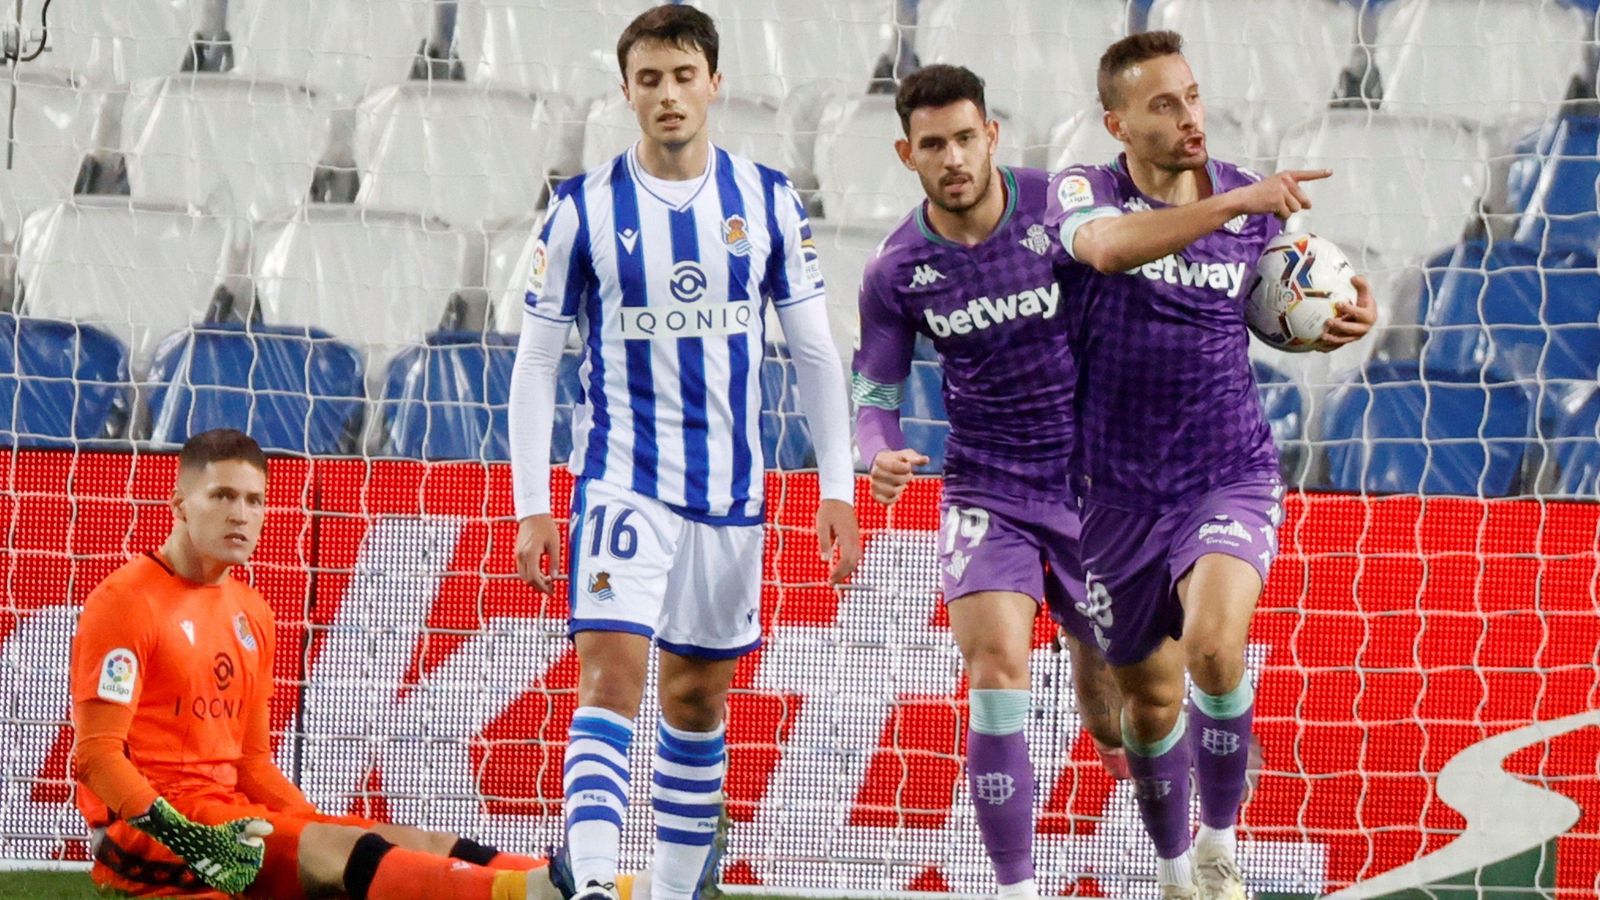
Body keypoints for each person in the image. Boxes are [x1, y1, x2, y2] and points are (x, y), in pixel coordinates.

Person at [506, 6, 860, 900]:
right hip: (623, 479)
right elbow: (537, 362)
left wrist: (838, 487)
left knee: (697, 703)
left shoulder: (768, 199)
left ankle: (668, 893)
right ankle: (592, 885)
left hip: (732, 495)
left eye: (683, 76)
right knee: (611, 678)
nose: (668, 95)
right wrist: (533, 504)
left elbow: (816, 354)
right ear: (626, 92)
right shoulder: (582, 209)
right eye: (649, 80)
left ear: (714, 82)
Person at [1045, 31, 1378, 900]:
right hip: (1111, 493)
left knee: (1215, 649)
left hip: (1225, 468)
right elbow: (1109, 249)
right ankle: (1172, 871)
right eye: (1163, 104)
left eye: (1191, 95)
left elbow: (1280, 306)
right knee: (1142, 714)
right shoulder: (1083, 190)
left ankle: (1221, 850)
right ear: (1118, 122)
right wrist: (1234, 208)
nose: (1190, 116)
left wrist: (1335, 321)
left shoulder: (1249, 198)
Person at [69, 429, 643, 900]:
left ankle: (608, 885)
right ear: (180, 505)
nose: (241, 514)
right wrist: (187, 837)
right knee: (349, 854)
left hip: (230, 813)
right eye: (221, 496)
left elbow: (250, 762)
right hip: (146, 836)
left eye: (255, 499)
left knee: (396, 839)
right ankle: (542, 893)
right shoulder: (126, 602)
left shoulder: (251, 612)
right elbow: (96, 756)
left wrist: (316, 828)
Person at [852, 64, 1127, 900]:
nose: (953, 157)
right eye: (933, 144)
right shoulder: (896, 269)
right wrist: (879, 449)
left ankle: (1186, 847)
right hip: (988, 488)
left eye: (965, 137)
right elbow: (874, 391)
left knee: (1113, 702)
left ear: (992, 136)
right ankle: (1015, 890)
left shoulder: (1060, 206)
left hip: (1099, 485)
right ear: (908, 154)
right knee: (998, 668)